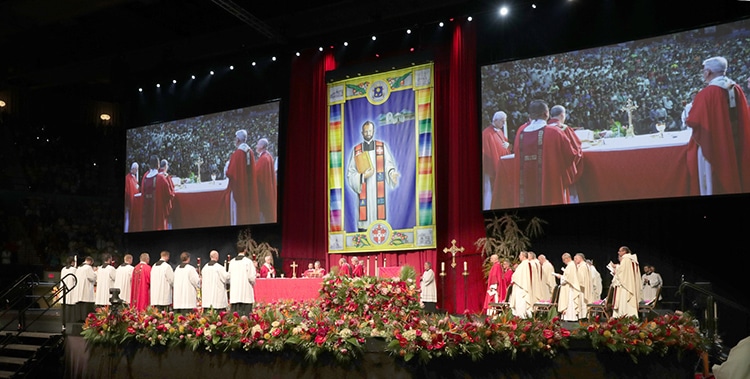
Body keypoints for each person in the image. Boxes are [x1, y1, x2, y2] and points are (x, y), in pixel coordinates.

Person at [685, 56, 750, 195]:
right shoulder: (736, 87)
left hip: (716, 143)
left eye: (704, 70)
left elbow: (694, 121)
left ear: (708, 72)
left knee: (712, 178)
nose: (703, 73)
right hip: (735, 139)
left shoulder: (708, 93)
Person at [512, 100, 580, 207]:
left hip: (525, 183)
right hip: (550, 182)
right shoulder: (554, 132)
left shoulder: (520, 133)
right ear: (546, 114)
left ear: (530, 115)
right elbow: (571, 155)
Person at [346, 120, 400, 231]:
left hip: (377, 191)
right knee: (364, 225)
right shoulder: (356, 150)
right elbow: (350, 173)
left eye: (370, 131)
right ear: (362, 133)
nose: (368, 133)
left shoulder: (382, 147)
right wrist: (362, 176)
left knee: (378, 224)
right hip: (363, 193)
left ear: (373, 131)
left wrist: (392, 174)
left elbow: (388, 164)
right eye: (365, 131)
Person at [547, 105, 584, 203]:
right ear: (562, 115)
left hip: (548, 168)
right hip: (563, 169)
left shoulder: (544, 128)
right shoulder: (563, 128)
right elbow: (575, 150)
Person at [226, 129, 260, 226]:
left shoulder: (238, 153)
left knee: (239, 210)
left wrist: (226, 170)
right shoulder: (250, 150)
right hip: (248, 184)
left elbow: (231, 173)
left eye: (235, 138)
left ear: (238, 140)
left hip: (240, 185)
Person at [482, 111, 512, 209]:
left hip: (501, 166)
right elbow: (487, 153)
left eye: (505, 121)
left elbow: (504, 144)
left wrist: (509, 146)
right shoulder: (486, 134)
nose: (504, 124)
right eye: (502, 121)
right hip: (492, 168)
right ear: (495, 120)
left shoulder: (499, 131)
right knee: (489, 192)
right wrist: (495, 168)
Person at [140, 155, 174, 231]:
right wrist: (173, 193)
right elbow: (169, 195)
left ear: (150, 165)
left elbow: (142, 193)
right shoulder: (161, 178)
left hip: (146, 211)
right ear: (158, 165)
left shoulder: (145, 178)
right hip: (158, 212)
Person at [611, 246, 642, 318]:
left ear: (624, 252)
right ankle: (631, 316)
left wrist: (616, 269)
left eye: (619, 251)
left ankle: (625, 316)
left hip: (626, 285)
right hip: (631, 283)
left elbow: (622, 272)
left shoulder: (626, 259)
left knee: (624, 301)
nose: (618, 252)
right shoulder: (633, 259)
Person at [228, 242, 257, 315]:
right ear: (245, 250)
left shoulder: (232, 262)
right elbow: (251, 277)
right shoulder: (248, 262)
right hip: (245, 294)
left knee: (235, 317)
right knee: (245, 318)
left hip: (235, 294)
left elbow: (229, 276)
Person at [255, 137, 277, 223]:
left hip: (263, 191)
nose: (256, 146)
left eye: (258, 144)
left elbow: (257, 174)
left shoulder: (263, 159)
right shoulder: (268, 156)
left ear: (262, 146)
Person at [555, 252, 581, 322]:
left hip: (570, 289)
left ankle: (570, 317)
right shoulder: (571, 265)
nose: (563, 261)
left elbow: (568, 279)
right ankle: (567, 317)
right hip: (568, 288)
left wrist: (560, 277)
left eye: (564, 260)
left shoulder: (571, 265)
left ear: (567, 258)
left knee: (569, 302)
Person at [509, 251, 534, 318]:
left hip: (521, 287)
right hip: (524, 286)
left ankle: (521, 316)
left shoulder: (523, 264)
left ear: (523, 256)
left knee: (521, 302)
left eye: (520, 255)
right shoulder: (528, 263)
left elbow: (516, 276)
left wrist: (513, 278)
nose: (519, 257)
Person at [74, 256, 96, 322]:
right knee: (85, 305)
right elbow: (92, 277)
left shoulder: (78, 267)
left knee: (80, 304)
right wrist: (94, 272)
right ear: (90, 261)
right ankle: (85, 319)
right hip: (86, 289)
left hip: (79, 289)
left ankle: (79, 319)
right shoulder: (88, 268)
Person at [574, 252, 593, 320]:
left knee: (582, 302)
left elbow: (581, 279)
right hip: (583, 287)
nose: (575, 260)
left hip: (582, 288)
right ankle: (583, 316)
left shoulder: (582, 266)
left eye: (576, 258)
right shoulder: (583, 265)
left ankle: (583, 317)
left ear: (580, 258)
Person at [60, 256, 78, 324]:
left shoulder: (63, 269)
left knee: (64, 305)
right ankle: (70, 320)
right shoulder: (73, 270)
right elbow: (76, 279)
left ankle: (63, 320)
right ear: (72, 262)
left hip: (64, 289)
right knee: (70, 305)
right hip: (70, 289)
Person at [124, 162, 139, 232]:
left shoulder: (134, 178)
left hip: (134, 203)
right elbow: (127, 191)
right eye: (136, 169)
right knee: (127, 219)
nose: (136, 171)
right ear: (133, 169)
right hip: (129, 203)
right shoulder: (127, 178)